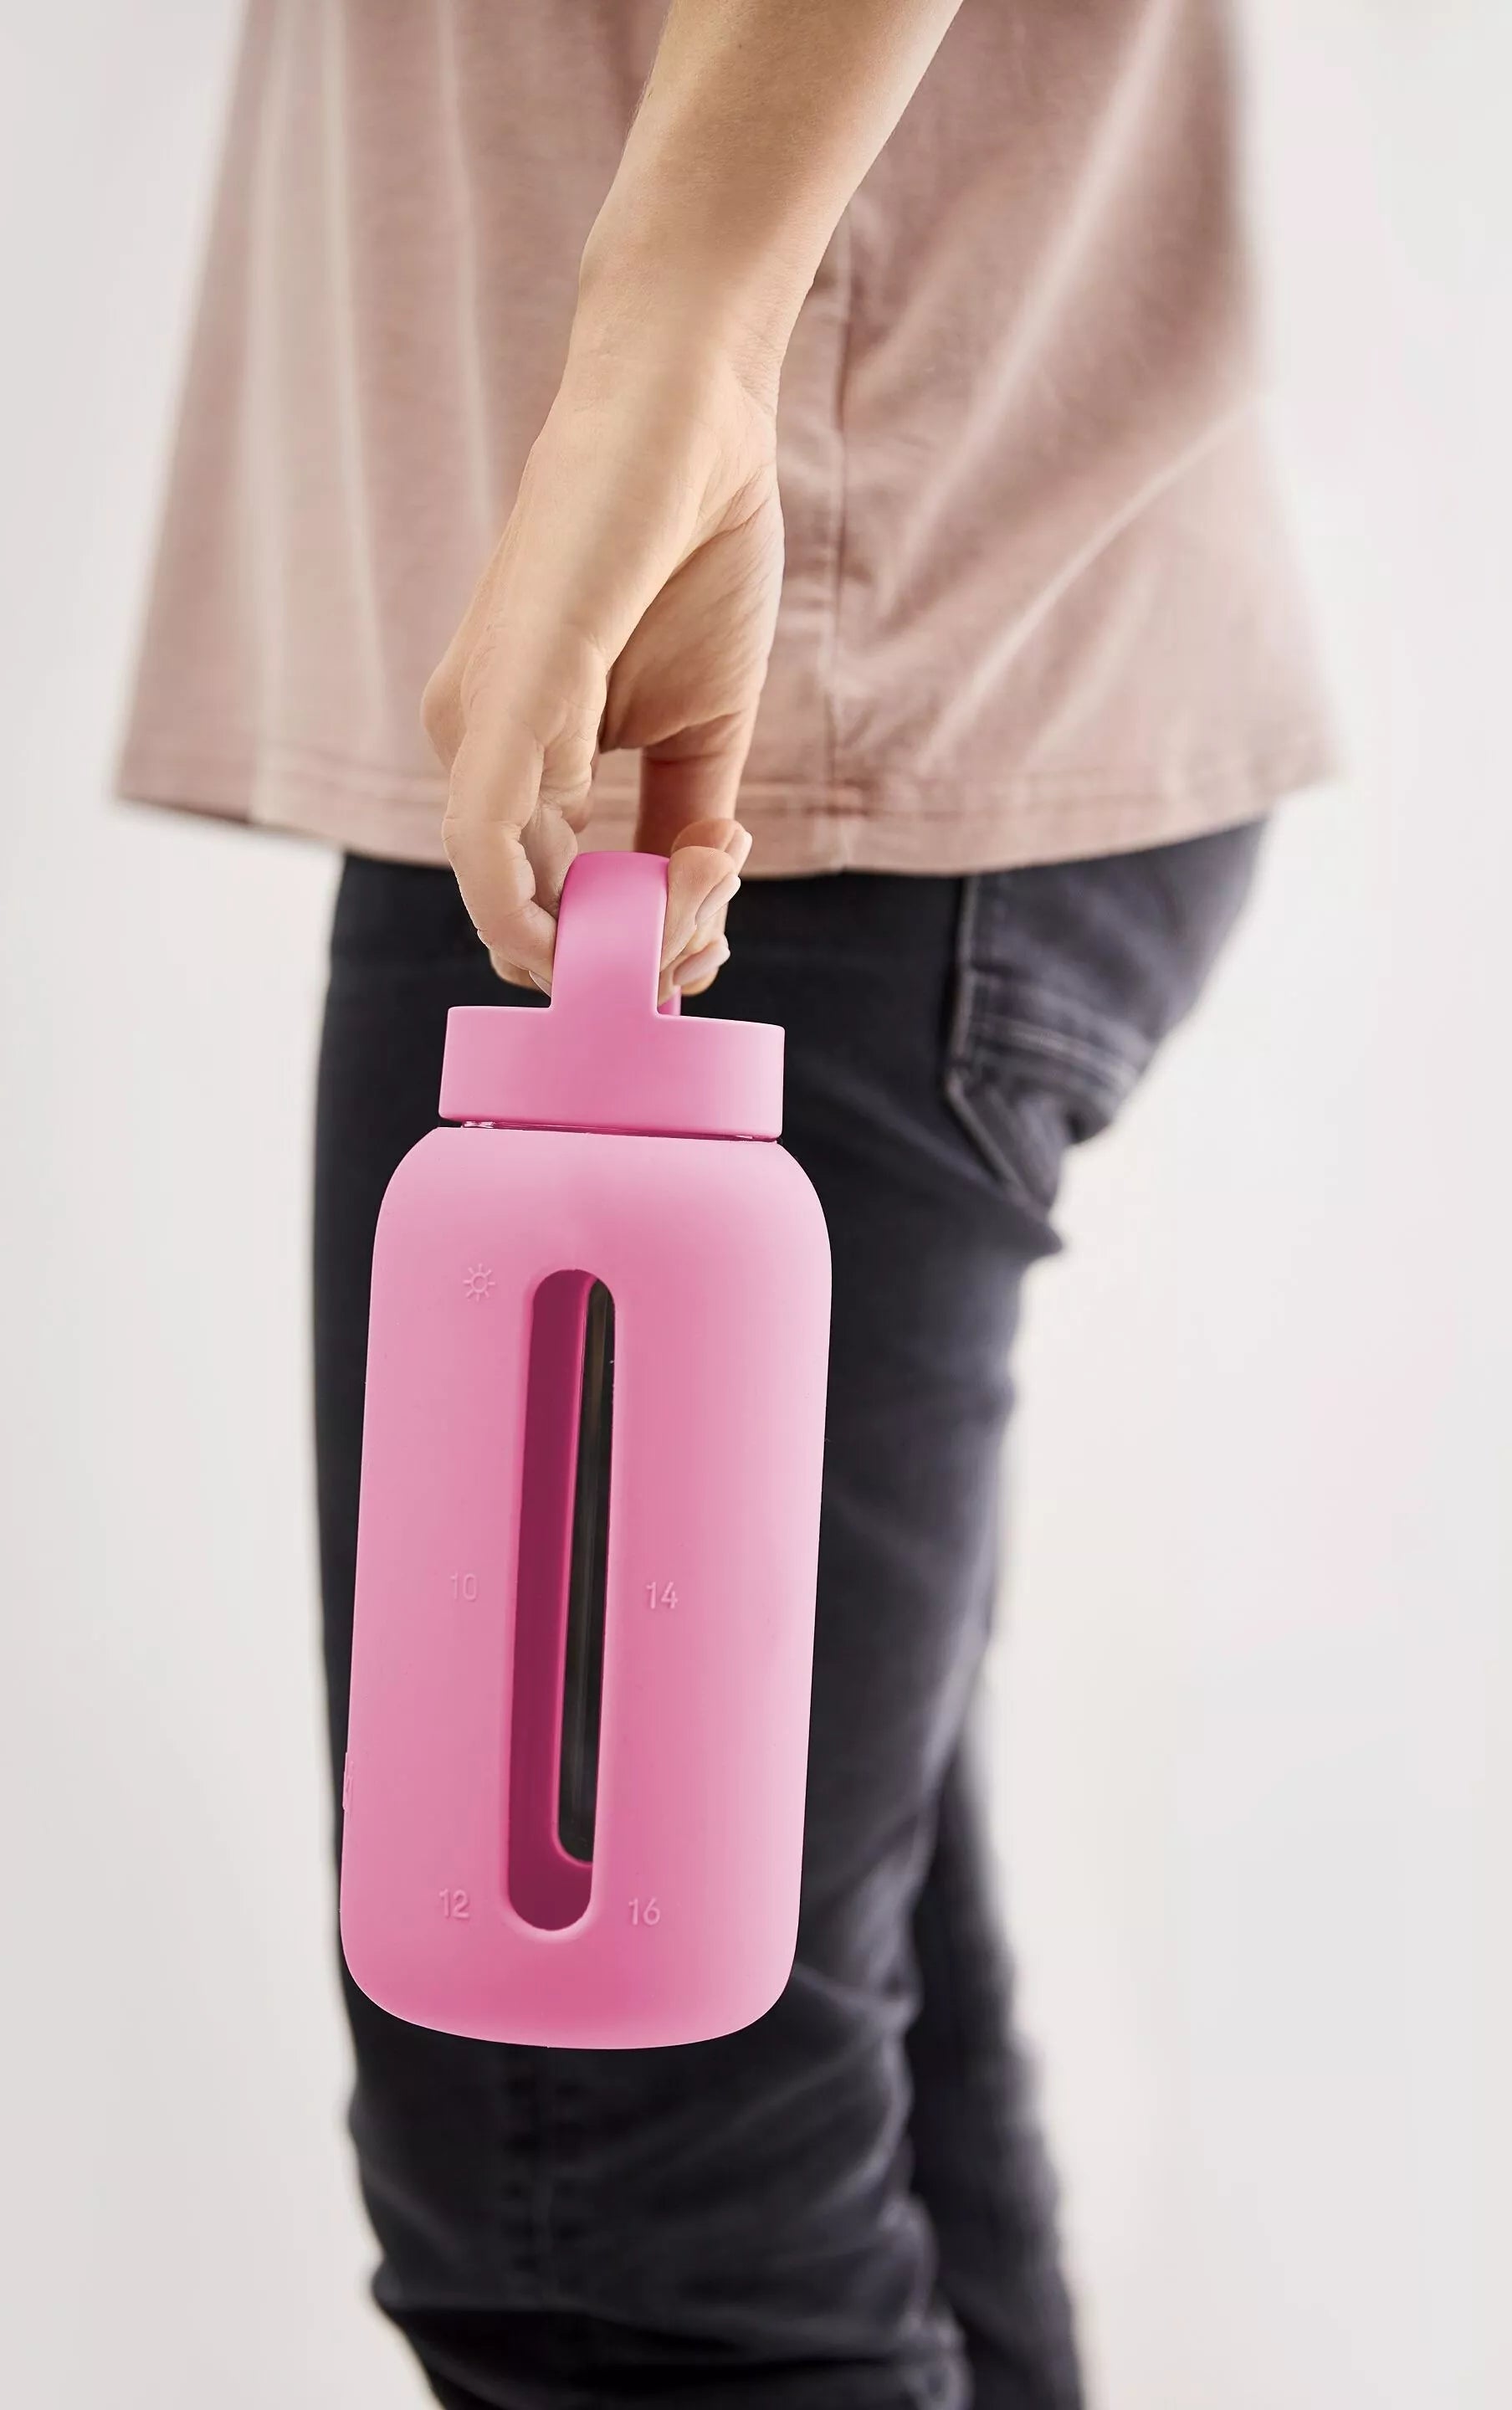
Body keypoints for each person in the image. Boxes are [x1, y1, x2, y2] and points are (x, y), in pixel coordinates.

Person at [120, 4, 1331, 2402]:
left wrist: (684, 333)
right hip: (797, 646)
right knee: (801, 2088)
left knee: (621, 2214)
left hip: (742, 725)